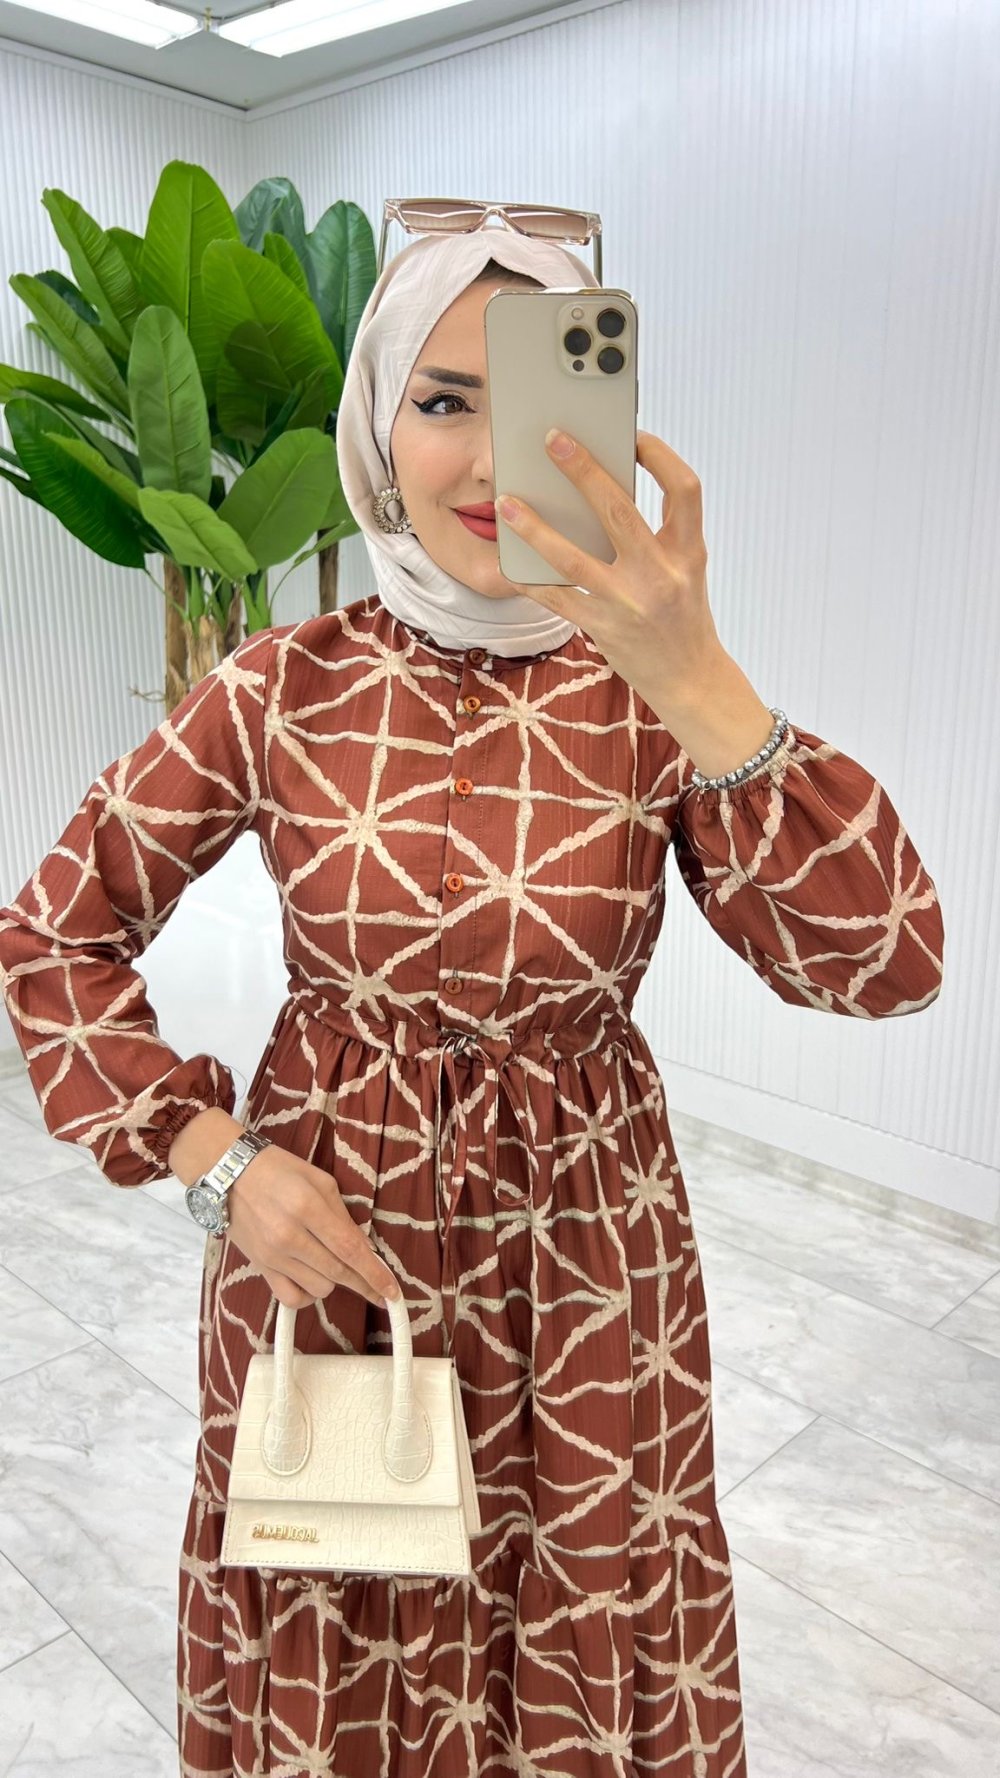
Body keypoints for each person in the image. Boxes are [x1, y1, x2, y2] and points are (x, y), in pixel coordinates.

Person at [0, 226, 945, 1778]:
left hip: (588, 1280)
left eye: (534, 398)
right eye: (444, 399)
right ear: (379, 424)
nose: (494, 458)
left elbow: (885, 961)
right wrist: (211, 1158)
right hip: (334, 1264)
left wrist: (702, 676)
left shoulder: (650, 694)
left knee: (576, 1600)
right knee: (337, 1602)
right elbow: (52, 931)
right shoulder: (284, 685)